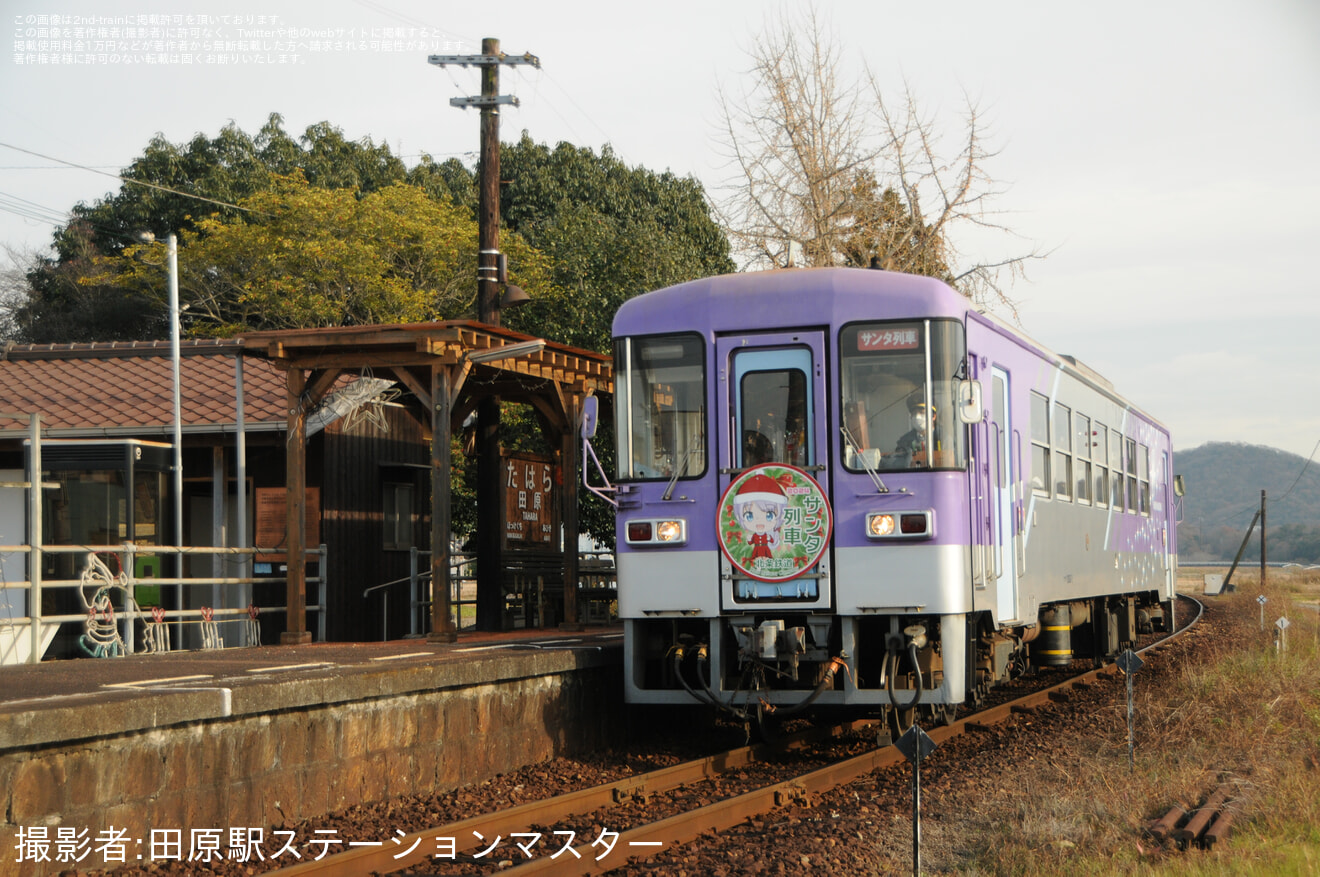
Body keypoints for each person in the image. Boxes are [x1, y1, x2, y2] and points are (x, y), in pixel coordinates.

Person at [894, 393, 939, 467]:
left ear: (933, 416)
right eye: (914, 414)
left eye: (922, 413)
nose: (917, 417)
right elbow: (899, 465)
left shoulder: (944, 437)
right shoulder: (904, 441)